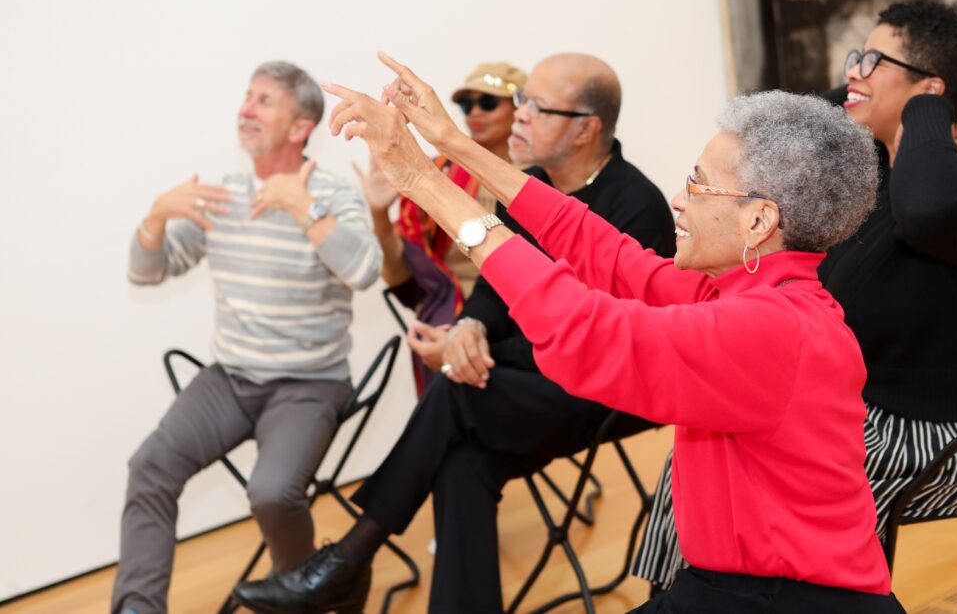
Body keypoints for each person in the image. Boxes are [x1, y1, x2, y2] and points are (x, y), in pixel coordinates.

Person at [311, 56, 902, 611]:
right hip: (745, 589)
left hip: (790, 601)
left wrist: (420, 180)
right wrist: (453, 146)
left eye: (698, 184)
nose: (679, 199)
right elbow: (604, 251)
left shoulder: (771, 328)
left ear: (758, 220)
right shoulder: (749, 295)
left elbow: (582, 327)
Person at [232, 53, 676, 613]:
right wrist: (469, 326)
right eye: (519, 101)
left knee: (458, 392)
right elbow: (497, 284)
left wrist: (477, 349)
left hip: (607, 388)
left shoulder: (637, 207)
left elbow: (602, 334)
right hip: (534, 371)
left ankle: (349, 558)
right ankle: (350, 564)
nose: (518, 116)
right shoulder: (532, 184)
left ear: (587, 128)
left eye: (534, 106)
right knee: (464, 461)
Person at [633, 0, 957, 594]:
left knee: (764, 476)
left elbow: (927, 210)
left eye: (872, 59)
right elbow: (798, 128)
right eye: (853, 58)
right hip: (868, 405)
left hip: (956, 429)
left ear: (932, 91)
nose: (853, 72)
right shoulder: (867, 183)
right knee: (705, 450)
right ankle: (686, 596)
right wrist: (863, 94)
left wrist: (924, 110)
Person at [112, 61, 382, 614]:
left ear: (300, 126)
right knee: (150, 467)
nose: (246, 109)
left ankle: (306, 591)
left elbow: (363, 270)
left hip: (309, 384)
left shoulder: (328, 192)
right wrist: (156, 218)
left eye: (264, 100)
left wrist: (302, 207)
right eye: (246, 97)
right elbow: (147, 273)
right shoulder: (225, 194)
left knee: (271, 492)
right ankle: (137, 607)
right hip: (231, 379)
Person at [355, 62, 527, 395]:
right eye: (466, 104)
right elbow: (403, 278)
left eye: (488, 102)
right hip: (448, 314)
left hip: (513, 322)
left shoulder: (536, 177)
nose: (474, 112)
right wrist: (378, 213)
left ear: (519, 108)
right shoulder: (437, 173)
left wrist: (461, 335)